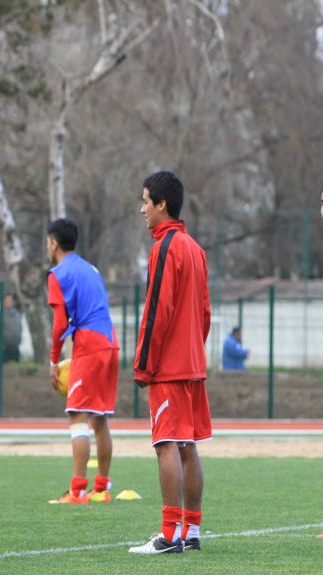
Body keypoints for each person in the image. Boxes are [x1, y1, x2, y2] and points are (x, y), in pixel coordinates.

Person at [129, 171, 211, 555]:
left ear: (162, 204)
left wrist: (144, 365)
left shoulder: (166, 247)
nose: (142, 208)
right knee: (188, 447)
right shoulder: (195, 248)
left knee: (165, 445)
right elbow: (205, 313)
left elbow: (157, 311)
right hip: (193, 365)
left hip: (171, 367)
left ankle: (168, 534)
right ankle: (191, 530)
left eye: (146, 201)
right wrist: (194, 349)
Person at [46, 218, 119, 504]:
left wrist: (54, 361)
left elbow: (59, 324)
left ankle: (77, 491)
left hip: (90, 345)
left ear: (53, 243)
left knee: (77, 415)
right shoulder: (92, 269)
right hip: (110, 342)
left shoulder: (58, 274)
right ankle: (101, 488)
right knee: (99, 418)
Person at [0, 293, 23, 363]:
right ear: (3, 302)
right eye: (7, 301)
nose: (9, 303)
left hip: (15, 348)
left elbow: (20, 328)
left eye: (11, 301)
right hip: (3, 348)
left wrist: (18, 340)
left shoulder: (17, 314)